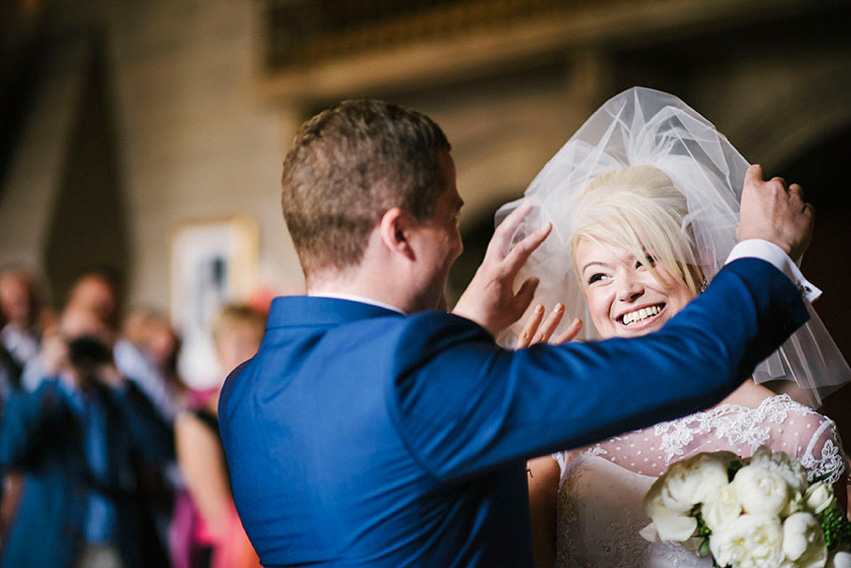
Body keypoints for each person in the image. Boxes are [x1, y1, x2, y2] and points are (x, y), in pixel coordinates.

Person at [218, 98, 815, 567]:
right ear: (398, 234)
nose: (459, 245)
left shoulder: (244, 393)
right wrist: (766, 252)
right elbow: (691, 363)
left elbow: (392, 469)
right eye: (451, 217)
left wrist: (465, 331)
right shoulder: (422, 377)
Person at [509, 87, 850, 568]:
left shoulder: (797, 434)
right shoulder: (562, 439)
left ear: (704, 262)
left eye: (646, 258)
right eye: (599, 276)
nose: (624, 290)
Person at [0, 303, 175, 568]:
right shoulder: (38, 395)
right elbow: (8, 451)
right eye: (77, 336)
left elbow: (161, 449)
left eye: (94, 334)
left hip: (113, 543)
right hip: (51, 545)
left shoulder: (119, 396)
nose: (84, 345)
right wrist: (48, 371)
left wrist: (117, 379)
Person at [171, 304, 263, 568]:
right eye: (240, 343)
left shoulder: (267, 413)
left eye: (259, 342)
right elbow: (219, 518)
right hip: (225, 553)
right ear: (217, 349)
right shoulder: (197, 423)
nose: (253, 352)